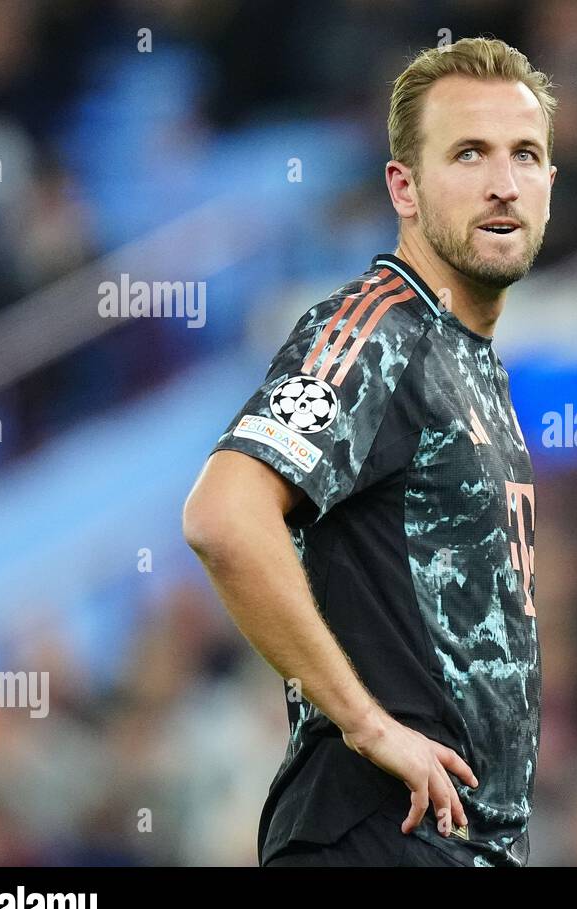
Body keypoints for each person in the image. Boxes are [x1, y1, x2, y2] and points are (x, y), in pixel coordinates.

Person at [182, 36, 556, 866]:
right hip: (375, 832)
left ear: (550, 184)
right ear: (405, 186)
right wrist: (366, 722)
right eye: (469, 154)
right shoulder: (379, 329)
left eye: (525, 155)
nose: (504, 182)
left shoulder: (467, 359)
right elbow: (224, 513)